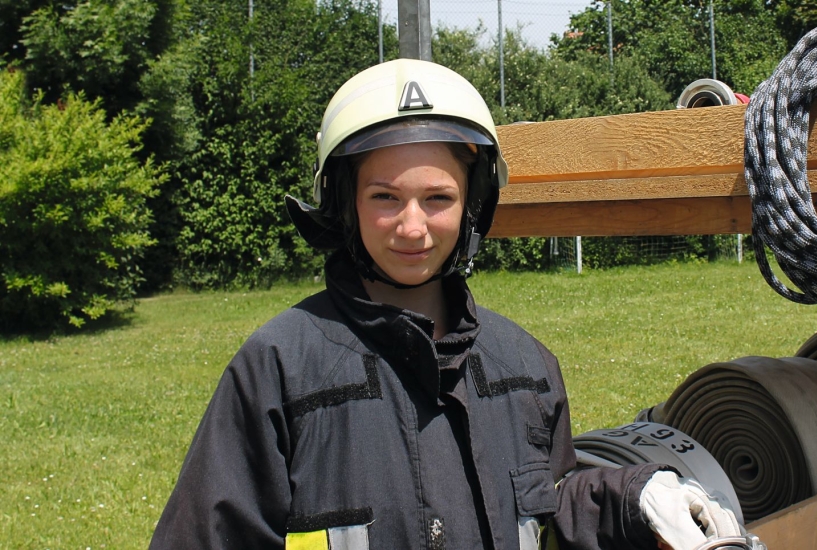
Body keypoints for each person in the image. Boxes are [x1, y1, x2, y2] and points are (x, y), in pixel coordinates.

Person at [150, 59, 739, 550]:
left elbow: (551, 509)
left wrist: (634, 498)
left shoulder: (526, 367)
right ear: (344, 201)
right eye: (385, 196)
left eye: (438, 197)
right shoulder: (279, 368)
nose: (413, 227)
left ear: (473, 204)